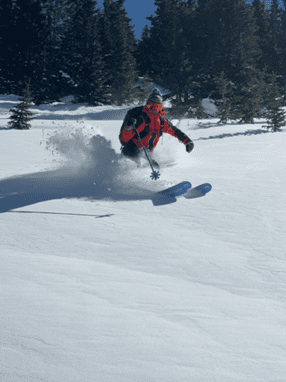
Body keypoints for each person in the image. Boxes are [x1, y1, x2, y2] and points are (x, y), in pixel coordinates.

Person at [119, 88, 194, 166]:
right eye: (151, 106)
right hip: (131, 151)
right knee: (139, 167)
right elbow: (124, 139)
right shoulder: (141, 118)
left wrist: (187, 141)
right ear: (147, 105)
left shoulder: (161, 121)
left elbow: (175, 131)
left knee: (155, 168)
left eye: (157, 107)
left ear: (161, 108)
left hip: (146, 155)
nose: (154, 110)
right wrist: (128, 127)